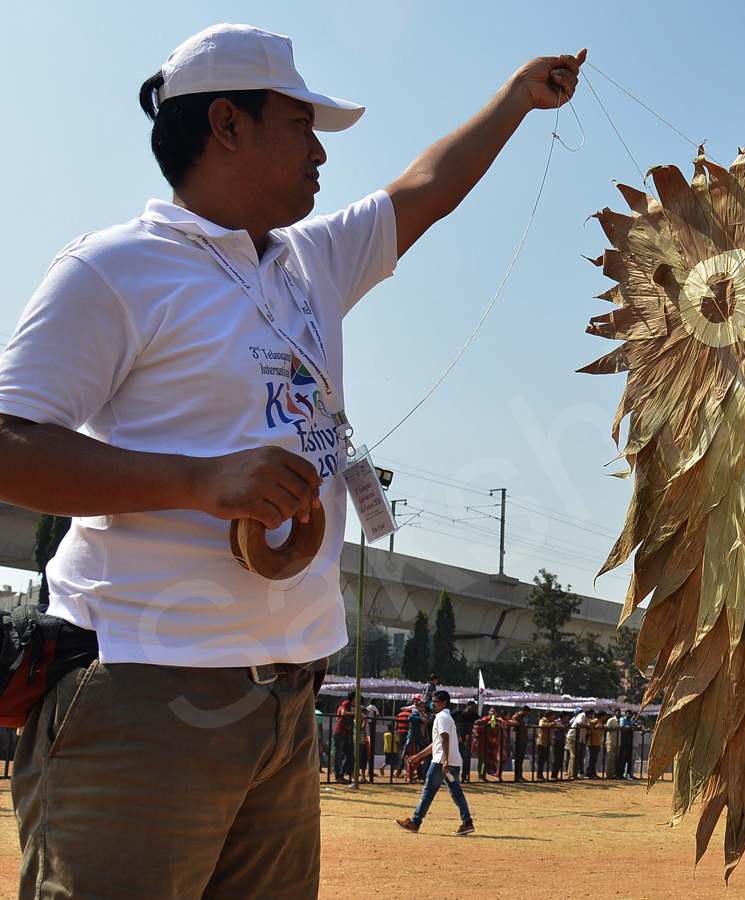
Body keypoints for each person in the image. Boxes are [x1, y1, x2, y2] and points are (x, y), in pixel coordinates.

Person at [0, 22, 582, 898]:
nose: (319, 153)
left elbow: (424, 189)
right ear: (227, 125)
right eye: (301, 125)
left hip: (281, 703)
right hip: (145, 696)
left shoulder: (309, 261)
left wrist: (515, 100)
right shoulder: (115, 268)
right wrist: (199, 481)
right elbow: (10, 442)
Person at [396, 691, 474, 836]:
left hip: (441, 762)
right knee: (457, 794)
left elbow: (445, 738)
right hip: (452, 761)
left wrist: (445, 761)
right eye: (432, 701)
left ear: (444, 703)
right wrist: (418, 756)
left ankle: (415, 822)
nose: (433, 704)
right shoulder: (445, 717)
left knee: (428, 793)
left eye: (436, 701)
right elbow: (436, 743)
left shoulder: (442, 717)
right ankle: (467, 823)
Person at [334, 691, 360, 784]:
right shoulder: (346, 704)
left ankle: (342, 774)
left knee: (350, 756)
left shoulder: (355, 707)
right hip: (340, 732)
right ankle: (338, 776)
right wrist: (355, 714)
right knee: (338, 754)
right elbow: (343, 713)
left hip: (348, 733)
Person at [454, 699, 481, 783]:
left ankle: (465, 776)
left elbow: (480, 720)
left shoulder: (474, 715)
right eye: (472, 706)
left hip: (467, 739)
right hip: (456, 738)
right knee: (455, 758)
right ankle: (454, 777)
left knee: (466, 759)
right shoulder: (459, 713)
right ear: (467, 706)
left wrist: (478, 721)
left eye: (474, 707)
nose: (473, 708)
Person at [510, 705, 531, 782]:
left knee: (521, 759)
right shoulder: (516, 717)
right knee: (518, 759)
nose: (526, 715)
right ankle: (517, 776)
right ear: (522, 710)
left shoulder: (522, 718)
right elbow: (514, 728)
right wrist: (524, 727)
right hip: (518, 740)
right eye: (526, 713)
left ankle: (520, 776)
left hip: (523, 740)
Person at [566, 707, 588, 779]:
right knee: (574, 756)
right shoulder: (577, 718)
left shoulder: (585, 717)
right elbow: (578, 723)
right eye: (580, 711)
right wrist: (588, 727)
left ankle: (571, 773)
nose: (581, 712)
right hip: (572, 737)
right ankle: (573, 774)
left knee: (575, 756)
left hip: (579, 739)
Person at [536, 711, 555, 781]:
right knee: (540, 760)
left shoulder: (553, 722)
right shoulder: (543, 720)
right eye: (553, 716)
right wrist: (550, 724)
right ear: (549, 716)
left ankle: (541, 775)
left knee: (544, 760)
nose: (554, 717)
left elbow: (559, 725)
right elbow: (542, 725)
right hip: (542, 743)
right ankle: (539, 776)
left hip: (548, 743)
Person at [586, 709, 604, 778]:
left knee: (595, 759)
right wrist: (594, 728)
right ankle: (588, 773)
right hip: (591, 742)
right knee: (590, 758)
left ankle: (593, 773)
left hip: (597, 742)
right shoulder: (594, 721)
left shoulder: (600, 722)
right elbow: (589, 727)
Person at [550, 712, 568, 780]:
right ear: (564, 717)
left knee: (560, 759)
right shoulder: (556, 722)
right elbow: (555, 730)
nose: (567, 718)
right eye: (567, 717)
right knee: (555, 759)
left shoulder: (564, 723)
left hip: (561, 741)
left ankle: (556, 775)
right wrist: (561, 727)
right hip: (556, 741)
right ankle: (553, 775)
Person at [605, 709, 621, 778]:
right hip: (611, 741)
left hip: (618, 742)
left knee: (615, 758)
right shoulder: (611, 720)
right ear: (614, 713)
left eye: (620, 713)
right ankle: (608, 774)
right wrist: (615, 728)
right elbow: (607, 729)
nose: (619, 714)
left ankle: (613, 773)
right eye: (618, 713)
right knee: (610, 758)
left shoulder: (620, 721)